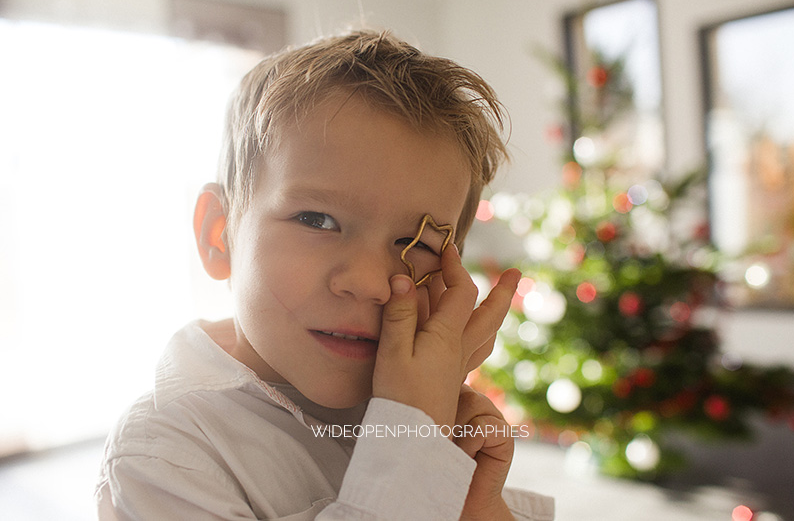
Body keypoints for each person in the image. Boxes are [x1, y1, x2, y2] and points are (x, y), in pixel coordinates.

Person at [96, 29, 555, 520]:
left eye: (416, 243)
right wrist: (410, 443)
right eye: (317, 220)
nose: (371, 282)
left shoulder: (435, 417)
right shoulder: (163, 452)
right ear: (219, 234)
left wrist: (471, 501)